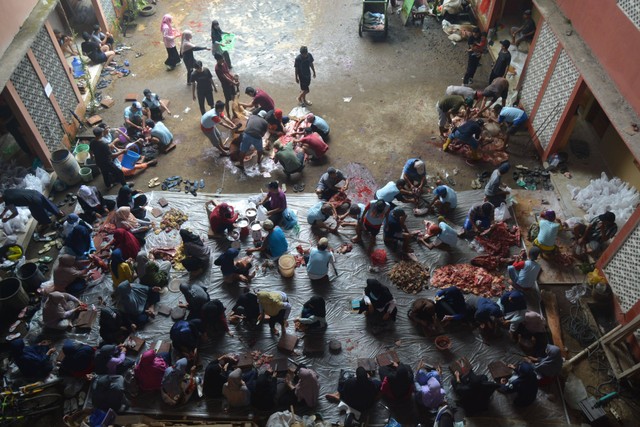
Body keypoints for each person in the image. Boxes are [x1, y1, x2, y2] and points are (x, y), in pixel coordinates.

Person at [214, 53, 239, 117]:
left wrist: (233, 78)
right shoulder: (217, 68)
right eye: (222, 59)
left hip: (231, 83)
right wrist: (234, 83)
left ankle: (234, 112)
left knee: (233, 98)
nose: (223, 60)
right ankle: (228, 114)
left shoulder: (224, 63)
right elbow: (225, 77)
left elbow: (228, 72)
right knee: (227, 100)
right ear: (218, 60)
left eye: (223, 59)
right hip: (226, 86)